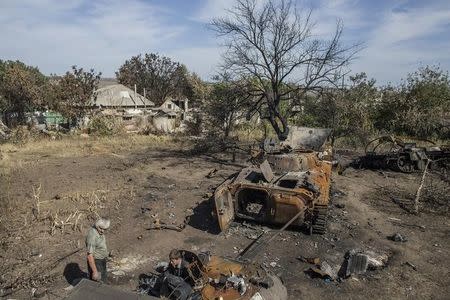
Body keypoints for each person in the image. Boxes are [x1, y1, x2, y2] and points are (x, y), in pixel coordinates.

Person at [85, 218, 110, 282]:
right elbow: (89, 256)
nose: (102, 231)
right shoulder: (92, 236)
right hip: (96, 262)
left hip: (102, 260)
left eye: (104, 229)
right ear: (96, 226)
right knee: (98, 283)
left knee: (104, 280)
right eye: (100, 228)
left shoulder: (100, 232)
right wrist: (95, 271)